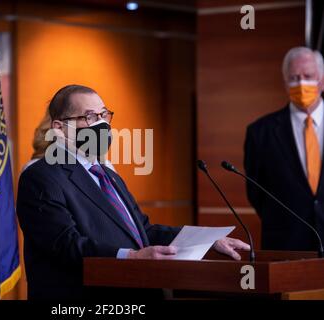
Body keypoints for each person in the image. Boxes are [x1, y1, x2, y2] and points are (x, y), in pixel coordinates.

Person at [17, 84, 249, 300]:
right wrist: (131, 257)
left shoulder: (108, 175)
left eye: (104, 115)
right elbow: (66, 245)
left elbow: (143, 232)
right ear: (59, 128)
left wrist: (206, 241)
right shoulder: (41, 177)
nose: (102, 125)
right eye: (89, 117)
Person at [244, 47, 324, 251]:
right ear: (285, 84)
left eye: (308, 76)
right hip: (286, 246)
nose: (301, 83)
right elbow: (256, 192)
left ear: (321, 80)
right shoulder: (260, 132)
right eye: (294, 78)